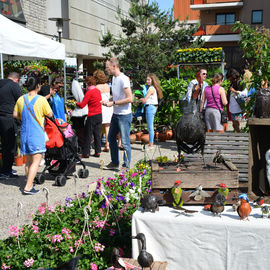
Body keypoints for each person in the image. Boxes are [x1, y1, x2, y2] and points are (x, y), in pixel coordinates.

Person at [13, 76, 53, 194]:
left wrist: (24, 117)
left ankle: (29, 182)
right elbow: (50, 114)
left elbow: (15, 114)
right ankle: (28, 187)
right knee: (36, 160)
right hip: (36, 133)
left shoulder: (21, 99)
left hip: (25, 133)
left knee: (29, 160)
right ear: (38, 86)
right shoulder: (41, 99)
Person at [103, 57, 133, 170]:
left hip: (124, 115)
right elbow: (116, 96)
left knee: (125, 142)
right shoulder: (114, 79)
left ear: (114, 66)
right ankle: (115, 162)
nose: (106, 70)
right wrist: (109, 100)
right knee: (111, 138)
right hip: (116, 114)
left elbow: (130, 98)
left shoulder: (123, 79)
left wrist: (113, 102)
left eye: (107, 67)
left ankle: (126, 166)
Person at [0, 72, 22, 179]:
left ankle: (5, 167)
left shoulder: (1, 83)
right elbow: (21, 101)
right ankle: (6, 171)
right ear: (17, 79)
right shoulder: (14, 86)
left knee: (3, 145)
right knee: (10, 145)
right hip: (8, 118)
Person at [76, 76, 102, 158]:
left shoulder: (89, 92)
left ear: (88, 83)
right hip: (99, 114)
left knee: (88, 134)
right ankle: (98, 151)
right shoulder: (98, 91)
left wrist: (76, 103)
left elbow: (82, 105)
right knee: (97, 134)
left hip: (92, 115)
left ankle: (86, 153)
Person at [139, 73, 163, 148]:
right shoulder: (153, 88)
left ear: (152, 80)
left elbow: (145, 100)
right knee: (150, 126)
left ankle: (151, 144)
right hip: (152, 107)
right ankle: (151, 143)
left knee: (150, 126)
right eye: (147, 80)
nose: (147, 81)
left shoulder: (151, 89)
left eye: (149, 80)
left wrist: (139, 99)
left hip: (150, 107)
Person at [93, 69, 113, 152]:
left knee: (99, 127)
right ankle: (107, 144)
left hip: (101, 106)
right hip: (108, 106)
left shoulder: (97, 87)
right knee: (107, 127)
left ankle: (97, 144)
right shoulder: (107, 85)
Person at [227, 69, 247, 133]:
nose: (229, 80)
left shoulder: (241, 83)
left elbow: (245, 93)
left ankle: (238, 135)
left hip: (238, 108)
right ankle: (237, 134)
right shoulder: (232, 83)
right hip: (232, 108)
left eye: (229, 78)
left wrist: (235, 91)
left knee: (236, 122)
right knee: (234, 123)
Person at [70, 79, 88, 150]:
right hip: (82, 113)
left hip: (80, 114)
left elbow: (81, 101)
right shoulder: (76, 85)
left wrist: (75, 103)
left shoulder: (75, 85)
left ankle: (81, 145)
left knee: (79, 131)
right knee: (81, 130)